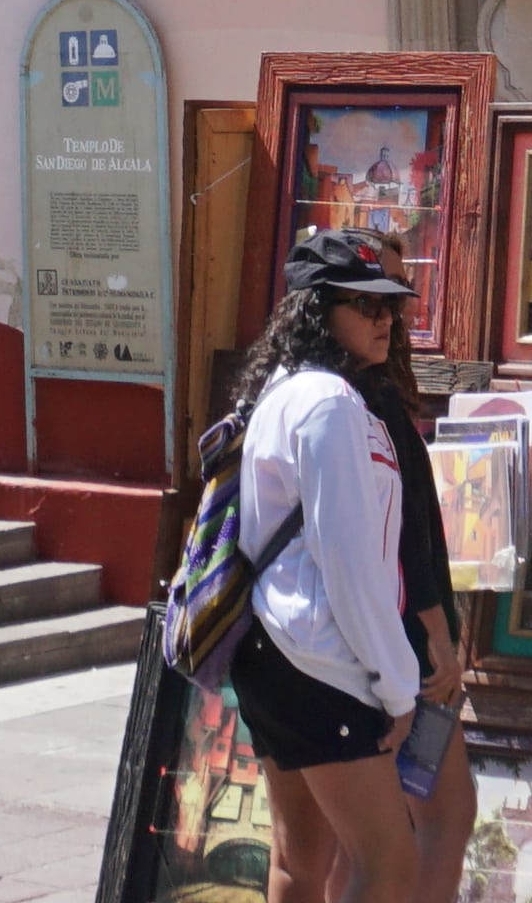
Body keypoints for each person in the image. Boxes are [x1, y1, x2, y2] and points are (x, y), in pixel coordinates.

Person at [223, 226, 437, 903]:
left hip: (274, 652)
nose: (386, 321)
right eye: (366, 306)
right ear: (317, 309)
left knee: (300, 861)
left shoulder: (284, 392)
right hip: (322, 665)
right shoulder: (329, 406)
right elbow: (354, 571)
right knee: (388, 862)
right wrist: (399, 687)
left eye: (393, 306)